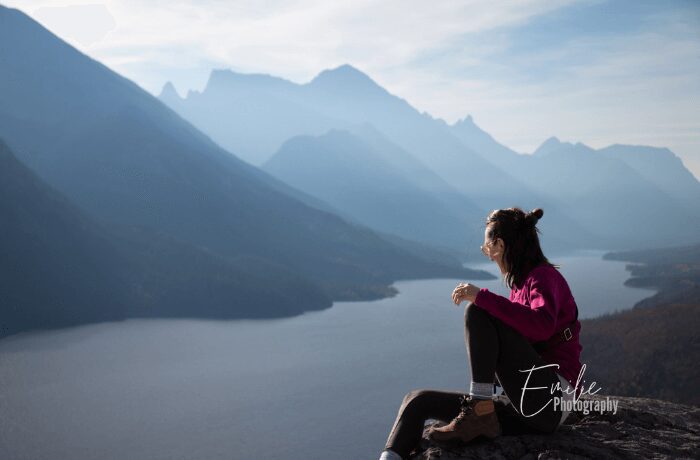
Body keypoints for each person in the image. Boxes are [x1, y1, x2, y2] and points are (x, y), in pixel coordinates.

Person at [379, 207, 583, 460]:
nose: (485, 252)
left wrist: (481, 297)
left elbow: (542, 326)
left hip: (549, 401)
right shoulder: (522, 285)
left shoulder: (542, 277)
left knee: (477, 311)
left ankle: (479, 409)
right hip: (525, 407)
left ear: (499, 244)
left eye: (487, 245)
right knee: (416, 401)